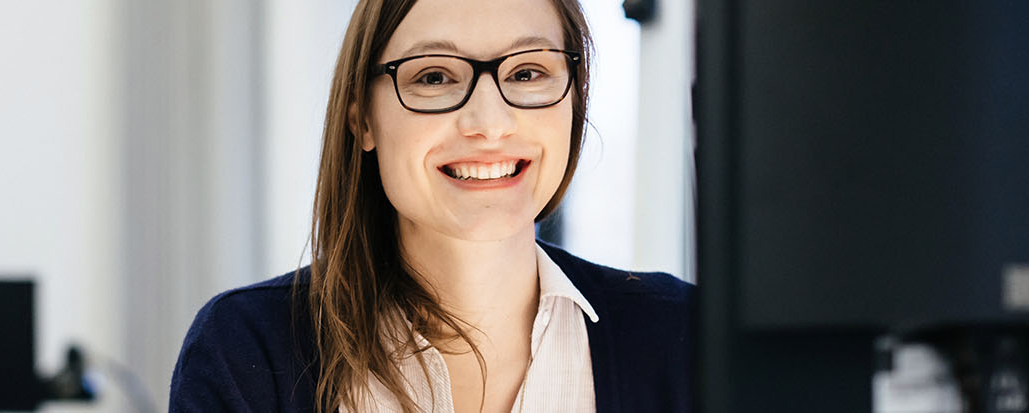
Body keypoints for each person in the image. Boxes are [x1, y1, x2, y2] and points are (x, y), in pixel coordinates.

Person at [169, 0, 693, 411]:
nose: (489, 122)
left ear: (574, 99)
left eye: (527, 73)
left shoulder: (685, 338)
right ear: (363, 119)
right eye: (434, 77)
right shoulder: (243, 351)